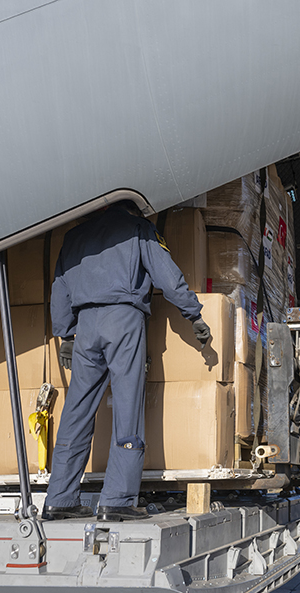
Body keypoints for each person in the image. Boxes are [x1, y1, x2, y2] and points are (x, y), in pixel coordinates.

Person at [44, 200, 211, 521]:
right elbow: (167, 275)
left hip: (85, 327)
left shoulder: (74, 237)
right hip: (123, 319)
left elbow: (59, 286)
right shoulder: (138, 229)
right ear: (135, 209)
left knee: (76, 410)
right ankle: (117, 499)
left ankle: (59, 498)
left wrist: (65, 335)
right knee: (127, 406)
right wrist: (194, 315)